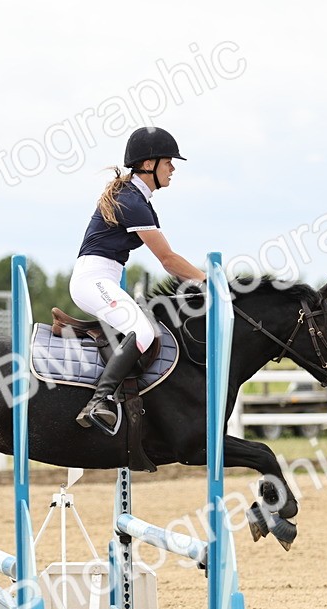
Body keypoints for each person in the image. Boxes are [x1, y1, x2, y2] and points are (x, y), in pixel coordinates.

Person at [69, 126, 207, 434]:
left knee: (145, 327)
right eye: (168, 162)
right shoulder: (131, 201)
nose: (173, 169)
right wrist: (207, 281)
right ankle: (99, 401)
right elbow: (168, 260)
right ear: (148, 164)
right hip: (93, 280)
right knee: (142, 331)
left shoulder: (137, 198)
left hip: (103, 278)